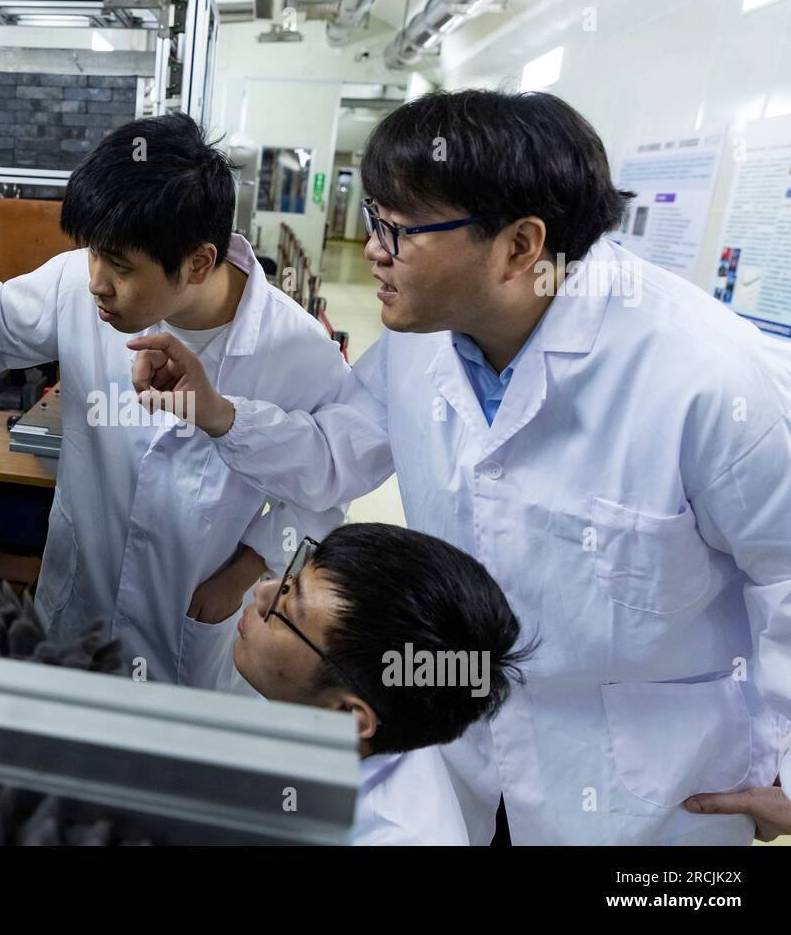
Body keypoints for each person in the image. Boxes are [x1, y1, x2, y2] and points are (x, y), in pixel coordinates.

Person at [128, 89, 791, 844]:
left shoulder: (708, 380)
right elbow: (335, 455)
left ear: (520, 246)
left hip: (646, 788)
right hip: (469, 748)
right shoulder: (426, 342)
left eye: (399, 229)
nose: (373, 246)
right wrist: (217, 411)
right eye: (373, 218)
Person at [0, 113, 348, 687]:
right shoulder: (74, 284)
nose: (96, 283)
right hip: (78, 599)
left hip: (188, 622)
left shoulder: (295, 348)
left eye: (121, 267)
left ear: (199, 262)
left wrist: (242, 573)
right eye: (93, 253)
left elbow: (330, 485)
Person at [232, 523, 531, 845]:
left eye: (286, 609)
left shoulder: (392, 836)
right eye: (292, 575)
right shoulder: (325, 696)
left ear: (348, 714)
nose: (261, 592)